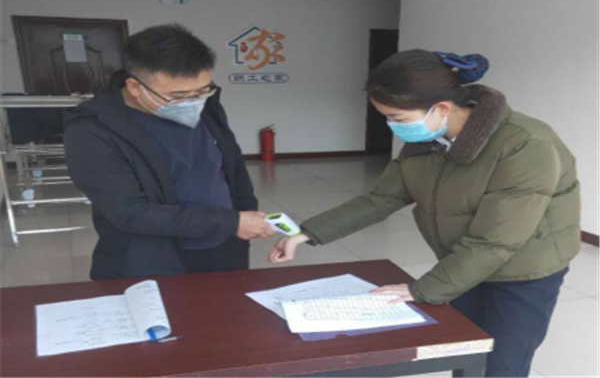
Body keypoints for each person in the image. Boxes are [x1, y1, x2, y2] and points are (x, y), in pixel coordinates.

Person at [268, 49, 581, 378]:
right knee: (467, 353)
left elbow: (495, 241)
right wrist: (306, 234)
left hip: (523, 271)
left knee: (502, 365)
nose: (393, 127)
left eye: (399, 119)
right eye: (386, 118)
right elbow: (381, 199)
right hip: (462, 260)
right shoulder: (427, 140)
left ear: (441, 108)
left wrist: (423, 290)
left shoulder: (525, 144)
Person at [65, 24, 274, 280]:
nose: (192, 102)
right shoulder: (93, 130)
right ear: (135, 87)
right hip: (154, 258)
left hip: (224, 243)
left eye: (201, 91)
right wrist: (231, 221)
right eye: (178, 95)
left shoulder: (206, 105)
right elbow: (129, 212)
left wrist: (245, 215)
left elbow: (230, 166)